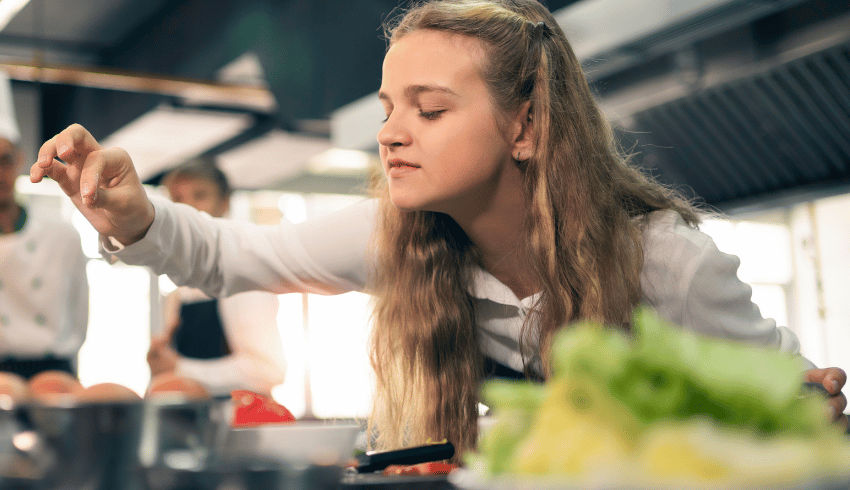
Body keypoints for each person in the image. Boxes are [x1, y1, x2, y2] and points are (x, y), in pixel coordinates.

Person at [29, 0, 846, 457]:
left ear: (525, 128)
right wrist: (131, 215)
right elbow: (233, 253)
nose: (390, 133)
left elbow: (799, 412)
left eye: (429, 109)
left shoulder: (666, 264)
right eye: (388, 109)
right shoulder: (400, 236)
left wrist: (806, 408)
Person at [146, 157, 286, 398]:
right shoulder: (180, 288)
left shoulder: (243, 275)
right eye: (178, 199)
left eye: (200, 196)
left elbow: (268, 370)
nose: (187, 209)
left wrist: (180, 369)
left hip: (239, 422)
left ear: (224, 203)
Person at [0, 122, 88, 379]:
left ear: (20, 159)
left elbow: (80, 314)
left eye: (4, 159)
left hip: (54, 371)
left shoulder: (62, 236)